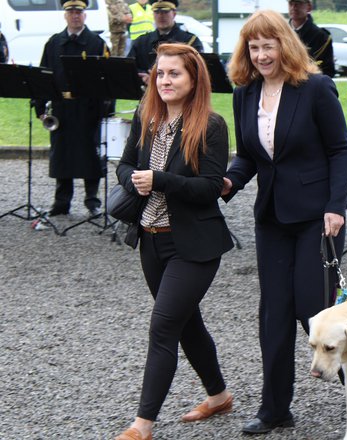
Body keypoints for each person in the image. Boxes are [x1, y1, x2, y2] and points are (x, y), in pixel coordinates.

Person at [222, 9, 347, 435]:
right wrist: (228, 182)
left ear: (285, 45)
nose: (261, 55)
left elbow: (340, 149)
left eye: (269, 45)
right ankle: (275, 408)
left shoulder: (315, 88)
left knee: (311, 307)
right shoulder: (244, 94)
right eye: (254, 47)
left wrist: (336, 205)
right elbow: (248, 155)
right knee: (273, 313)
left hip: (319, 217)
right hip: (272, 218)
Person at [114, 43, 235, 440]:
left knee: (163, 327)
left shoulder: (211, 125)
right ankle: (218, 395)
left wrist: (160, 180)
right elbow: (125, 165)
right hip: (151, 240)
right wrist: (133, 178)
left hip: (196, 245)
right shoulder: (145, 116)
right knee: (186, 325)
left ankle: (142, 425)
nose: (165, 80)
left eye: (174, 74)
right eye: (160, 73)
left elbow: (211, 187)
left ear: (193, 78)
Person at [34, 0, 109, 222]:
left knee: (90, 154)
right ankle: (61, 202)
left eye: (79, 12)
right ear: (65, 16)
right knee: (62, 154)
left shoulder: (96, 43)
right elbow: (43, 74)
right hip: (61, 108)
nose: (75, 16)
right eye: (71, 12)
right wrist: (40, 106)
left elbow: (106, 78)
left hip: (88, 107)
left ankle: (92, 202)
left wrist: (105, 110)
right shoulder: (54, 42)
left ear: (85, 16)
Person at [127, 0, 203, 84]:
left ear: (174, 14)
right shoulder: (142, 42)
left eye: (165, 12)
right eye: (157, 12)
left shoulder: (190, 41)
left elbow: (196, 70)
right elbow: (130, 67)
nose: (161, 16)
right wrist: (143, 76)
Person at [287, 0, 335, 77]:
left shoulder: (321, 37)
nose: (294, 7)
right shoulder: (280, 33)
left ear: (309, 7)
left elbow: (328, 71)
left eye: (298, 3)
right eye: (291, 3)